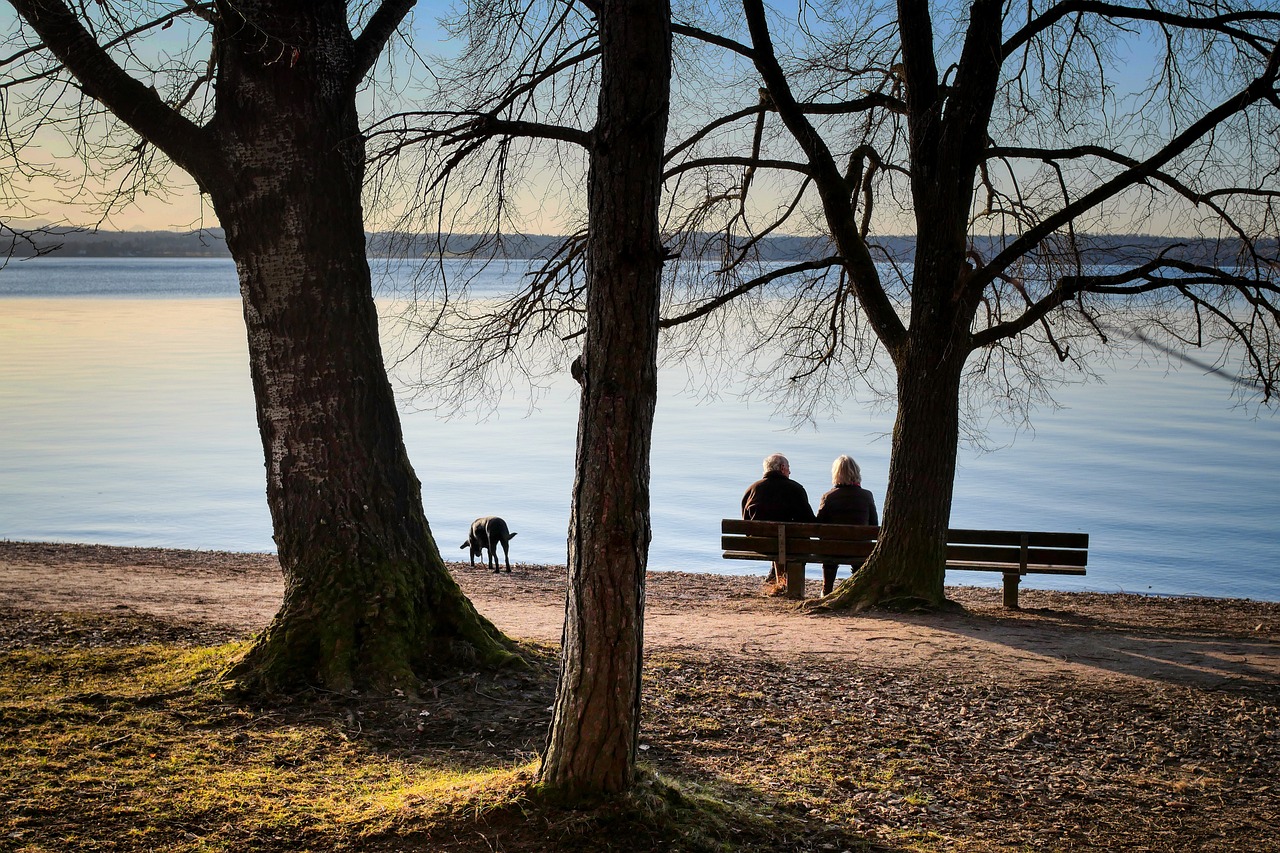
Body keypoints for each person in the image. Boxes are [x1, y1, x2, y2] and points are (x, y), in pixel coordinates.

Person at [741, 453, 815, 593]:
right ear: (782, 468)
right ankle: (784, 582)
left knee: (777, 542)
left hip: (760, 544)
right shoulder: (796, 489)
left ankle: (777, 579)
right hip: (793, 545)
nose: (790, 471)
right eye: (788, 468)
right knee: (792, 543)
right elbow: (810, 522)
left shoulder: (752, 490)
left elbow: (746, 525)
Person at [816, 454, 879, 596]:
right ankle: (857, 589)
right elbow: (874, 525)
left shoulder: (828, 496)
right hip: (859, 548)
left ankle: (827, 590)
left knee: (830, 552)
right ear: (856, 472)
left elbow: (818, 526)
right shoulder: (867, 495)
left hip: (833, 549)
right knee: (858, 549)